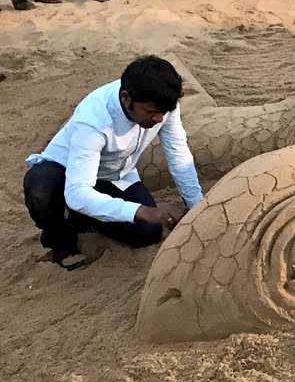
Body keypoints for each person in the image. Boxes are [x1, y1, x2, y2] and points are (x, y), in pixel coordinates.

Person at [24, 56, 203, 269]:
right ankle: (60, 238)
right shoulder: (95, 120)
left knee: (148, 233)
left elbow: (178, 156)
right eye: (152, 113)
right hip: (65, 171)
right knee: (41, 189)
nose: (159, 119)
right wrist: (144, 211)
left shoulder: (162, 104)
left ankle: (83, 216)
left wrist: (198, 208)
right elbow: (77, 192)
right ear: (126, 98)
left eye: (163, 112)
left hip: (115, 176)